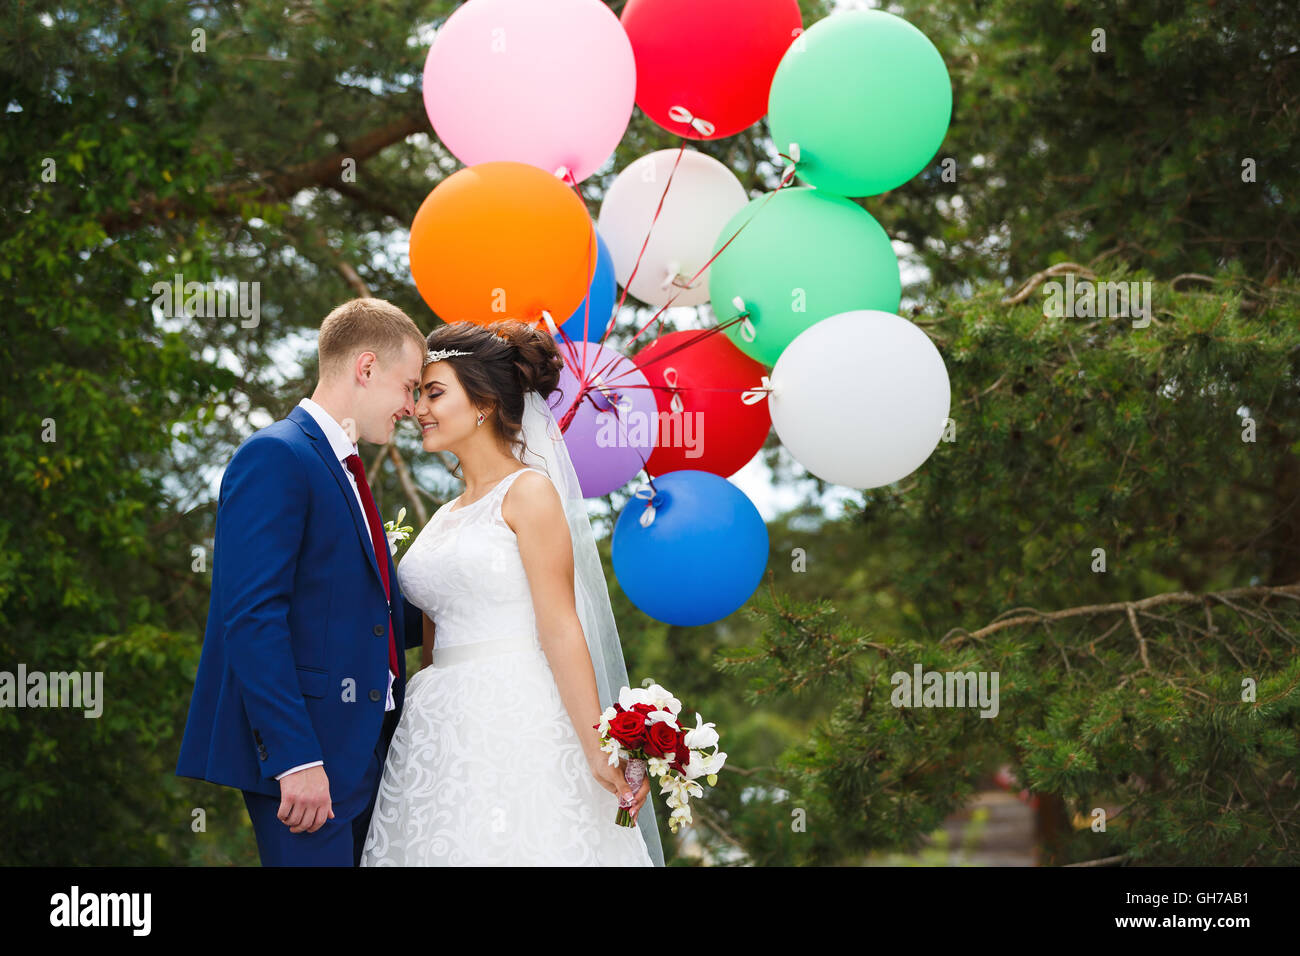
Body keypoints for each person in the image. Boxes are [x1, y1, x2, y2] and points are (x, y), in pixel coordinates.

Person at [360, 319, 664, 866]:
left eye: (434, 392)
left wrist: (598, 745)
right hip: (435, 729)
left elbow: (561, 625)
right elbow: (432, 630)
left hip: (516, 713)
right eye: (417, 394)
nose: (418, 410)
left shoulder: (529, 493)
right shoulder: (444, 516)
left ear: (483, 402)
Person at [176, 297, 430, 866]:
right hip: (309, 763)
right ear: (366, 368)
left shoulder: (346, 469)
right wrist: (295, 759)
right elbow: (252, 618)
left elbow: (372, 619)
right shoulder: (276, 456)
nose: (412, 407)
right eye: (408, 386)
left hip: (366, 752)